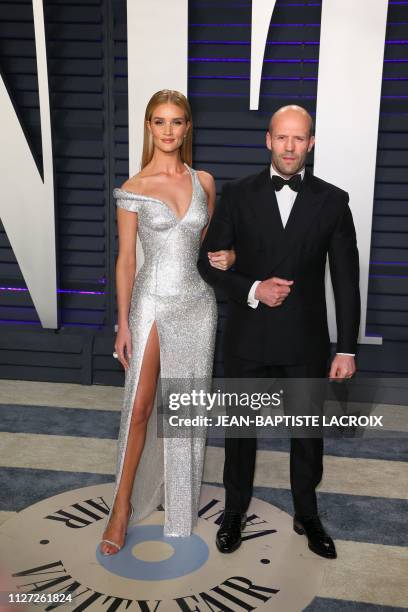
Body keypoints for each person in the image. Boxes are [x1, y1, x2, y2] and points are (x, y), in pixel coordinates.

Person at [197, 105, 360, 559]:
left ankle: (307, 513)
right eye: (282, 138)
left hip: (305, 339)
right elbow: (205, 265)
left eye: (300, 138)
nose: (290, 147)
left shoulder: (333, 200)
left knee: (308, 435)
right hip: (248, 335)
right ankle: (233, 512)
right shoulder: (238, 194)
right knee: (239, 432)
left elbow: (346, 282)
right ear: (268, 140)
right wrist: (251, 287)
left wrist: (346, 348)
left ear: (311, 143)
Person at [99, 89, 235, 555]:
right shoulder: (133, 187)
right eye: (160, 122)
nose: (169, 131)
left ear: (188, 127)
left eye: (177, 122)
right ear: (149, 127)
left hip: (198, 305)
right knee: (139, 409)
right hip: (152, 302)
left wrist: (229, 255)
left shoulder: (204, 182)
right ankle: (121, 508)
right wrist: (123, 324)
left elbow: (209, 244)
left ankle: (180, 510)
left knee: (186, 410)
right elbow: (125, 261)